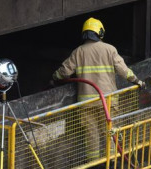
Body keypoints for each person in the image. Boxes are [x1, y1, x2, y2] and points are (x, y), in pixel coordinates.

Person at [52, 17, 144, 161]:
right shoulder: (109, 49)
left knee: (91, 133)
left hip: (86, 102)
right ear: (100, 32)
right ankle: (111, 160)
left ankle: (94, 162)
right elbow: (123, 70)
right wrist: (137, 80)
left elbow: (64, 72)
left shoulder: (78, 52)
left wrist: (54, 78)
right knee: (109, 130)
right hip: (107, 100)